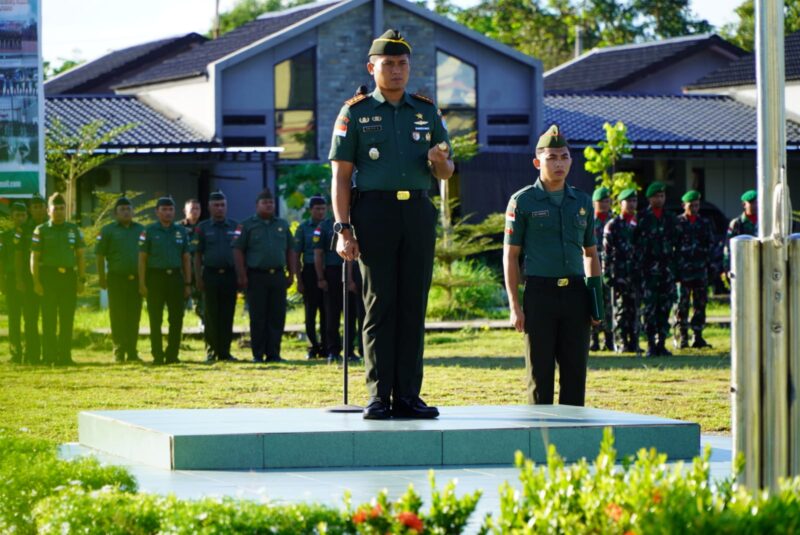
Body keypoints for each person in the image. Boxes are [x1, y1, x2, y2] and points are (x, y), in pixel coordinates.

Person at [329, 29, 454, 420]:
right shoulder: (356, 112)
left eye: (402, 64)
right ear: (372, 67)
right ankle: (379, 395)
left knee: (412, 304)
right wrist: (342, 228)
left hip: (417, 212)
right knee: (380, 303)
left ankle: (409, 396)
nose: (397, 70)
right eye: (388, 64)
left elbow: (448, 171)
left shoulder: (426, 110)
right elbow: (340, 177)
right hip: (375, 213)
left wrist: (439, 160)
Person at [503, 125, 602, 406]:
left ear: (571, 160)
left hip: (575, 295)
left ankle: (572, 440)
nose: (559, 163)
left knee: (575, 373)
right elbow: (511, 256)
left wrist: (597, 303)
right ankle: (542, 438)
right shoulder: (522, 201)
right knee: (540, 374)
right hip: (539, 294)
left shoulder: (582, 201)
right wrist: (514, 306)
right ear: (537, 162)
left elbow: (591, 254)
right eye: (551, 158)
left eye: (564, 156)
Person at [233, 189, 295, 364]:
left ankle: (274, 353)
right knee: (258, 316)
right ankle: (258, 354)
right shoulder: (247, 225)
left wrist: (292, 273)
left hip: (277, 275)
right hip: (256, 276)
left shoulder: (282, 224)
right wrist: (242, 275)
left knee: (277, 316)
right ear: (257, 205)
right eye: (265, 203)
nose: (269, 205)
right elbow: (238, 250)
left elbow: (291, 250)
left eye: (271, 203)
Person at [30, 193, 86, 366]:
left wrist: (81, 279)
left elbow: (80, 256)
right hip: (48, 278)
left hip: (68, 277)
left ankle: (65, 357)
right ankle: (49, 356)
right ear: (48, 211)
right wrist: (36, 281)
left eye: (62, 209)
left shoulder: (74, 230)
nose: (59, 212)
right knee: (48, 319)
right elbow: (34, 257)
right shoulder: (41, 230)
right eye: (56, 209)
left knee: (67, 318)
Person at [138, 196, 191, 365]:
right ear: (157, 212)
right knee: (155, 318)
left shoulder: (181, 231)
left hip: (175, 278)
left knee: (176, 318)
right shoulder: (149, 231)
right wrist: (142, 282)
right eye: (164, 209)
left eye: (170, 209)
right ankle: (157, 355)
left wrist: (188, 283)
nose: (168, 213)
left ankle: (173, 354)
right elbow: (142, 258)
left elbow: (186, 258)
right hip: (155, 278)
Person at [96, 196, 145, 363]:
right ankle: (119, 350)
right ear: (116, 213)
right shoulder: (108, 230)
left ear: (133, 211)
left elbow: (146, 255)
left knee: (134, 315)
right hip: (116, 278)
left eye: (128, 209)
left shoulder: (141, 230)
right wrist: (101, 277)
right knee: (117, 315)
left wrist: (144, 282)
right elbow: (100, 255)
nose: (126, 212)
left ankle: (132, 351)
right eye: (122, 209)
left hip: (136, 279)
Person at [634, 181, 678, 357]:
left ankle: (662, 343)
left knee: (664, 307)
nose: (660, 199)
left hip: (666, 272)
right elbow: (635, 246)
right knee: (650, 309)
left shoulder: (670, 218)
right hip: (648, 272)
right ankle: (651, 344)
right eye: (656, 196)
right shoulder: (642, 219)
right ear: (650, 199)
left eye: (662, 196)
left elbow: (677, 243)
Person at [195, 190, 239, 363]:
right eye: (216, 205)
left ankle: (225, 352)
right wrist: (198, 278)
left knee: (228, 314)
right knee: (211, 315)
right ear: (209, 207)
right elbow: (197, 255)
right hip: (211, 275)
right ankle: (212, 351)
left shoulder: (235, 226)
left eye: (222, 205)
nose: (219, 208)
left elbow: (240, 252)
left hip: (229, 275)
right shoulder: (203, 227)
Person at [315, 216, 360, 364]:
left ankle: (349, 350)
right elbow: (318, 253)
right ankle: (333, 351)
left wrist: (351, 279)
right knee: (332, 315)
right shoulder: (326, 226)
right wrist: (321, 277)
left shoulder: (356, 220)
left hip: (353, 271)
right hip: (333, 273)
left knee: (351, 314)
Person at [673, 190, 715, 349]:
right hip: (683, 273)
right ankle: (682, 337)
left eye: (697, 205)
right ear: (684, 205)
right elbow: (672, 247)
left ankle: (697, 337)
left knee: (700, 305)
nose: (695, 208)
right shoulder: (678, 223)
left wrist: (710, 267)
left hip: (700, 271)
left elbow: (710, 245)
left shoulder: (704, 223)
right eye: (691, 205)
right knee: (681, 306)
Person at [603, 188, 641, 354]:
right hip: (619, 274)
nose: (632, 204)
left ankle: (634, 341)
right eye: (629, 201)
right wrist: (607, 274)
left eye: (634, 201)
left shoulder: (637, 224)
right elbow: (606, 252)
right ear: (620, 204)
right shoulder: (613, 225)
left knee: (635, 309)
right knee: (620, 309)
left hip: (635, 273)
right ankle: (621, 341)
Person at [292, 195, 328, 360]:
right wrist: (298, 279)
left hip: (329, 271)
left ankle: (327, 345)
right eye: (317, 209)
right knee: (311, 312)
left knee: (328, 311)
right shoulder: (303, 228)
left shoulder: (331, 226)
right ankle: (313, 345)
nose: (320, 212)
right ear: (310, 210)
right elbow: (296, 254)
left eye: (322, 208)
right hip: (310, 272)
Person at [16, 193, 47, 364]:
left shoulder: (51, 227)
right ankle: (32, 354)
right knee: (30, 317)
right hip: (28, 279)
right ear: (30, 209)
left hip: (48, 278)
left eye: (41, 206)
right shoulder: (24, 229)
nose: (38, 210)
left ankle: (50, 353)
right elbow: (19, 256)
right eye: (35, 207)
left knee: (49, 317)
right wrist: (20, 279)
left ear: (45, 208)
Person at [0, 202, 28, 362]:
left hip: (28, 278)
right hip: (11, 278)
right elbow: (1, 261)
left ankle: (30, 350)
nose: (20, 218)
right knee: (14, 316)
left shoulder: (32, 233)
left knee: (29, 316)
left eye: (23, 215)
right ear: (12, 217)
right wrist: (1, 281)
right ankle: (15, 351)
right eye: (17, 215)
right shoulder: (5, 236)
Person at [590, 186, 614, 352]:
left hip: (610, 270)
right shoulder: (588, 222)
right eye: (601, 201)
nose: (604, 204)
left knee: (609, 305)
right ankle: (594, 339)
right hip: (592, 269)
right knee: (593, 304)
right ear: (594, 203)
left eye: (606, 201)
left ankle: (609, 339)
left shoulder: (614, 222)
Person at [724, 189, 758, 272]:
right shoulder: (737, 223)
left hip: (760, 263)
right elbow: (728, 247)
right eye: (751, 203)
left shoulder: (764, 221)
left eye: (756, 202)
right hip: (743, 265)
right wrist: (727, 267)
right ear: (744, 205)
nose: (755, 205)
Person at [181, 198, 203, 323]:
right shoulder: (178, 228)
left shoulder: (205, 227)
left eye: (197, 208)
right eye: (192, 208)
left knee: (203, 306)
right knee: (179, 307)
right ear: (185, 210)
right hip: (183, 271)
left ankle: (205, 333)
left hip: (200, 271)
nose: (195, 211)